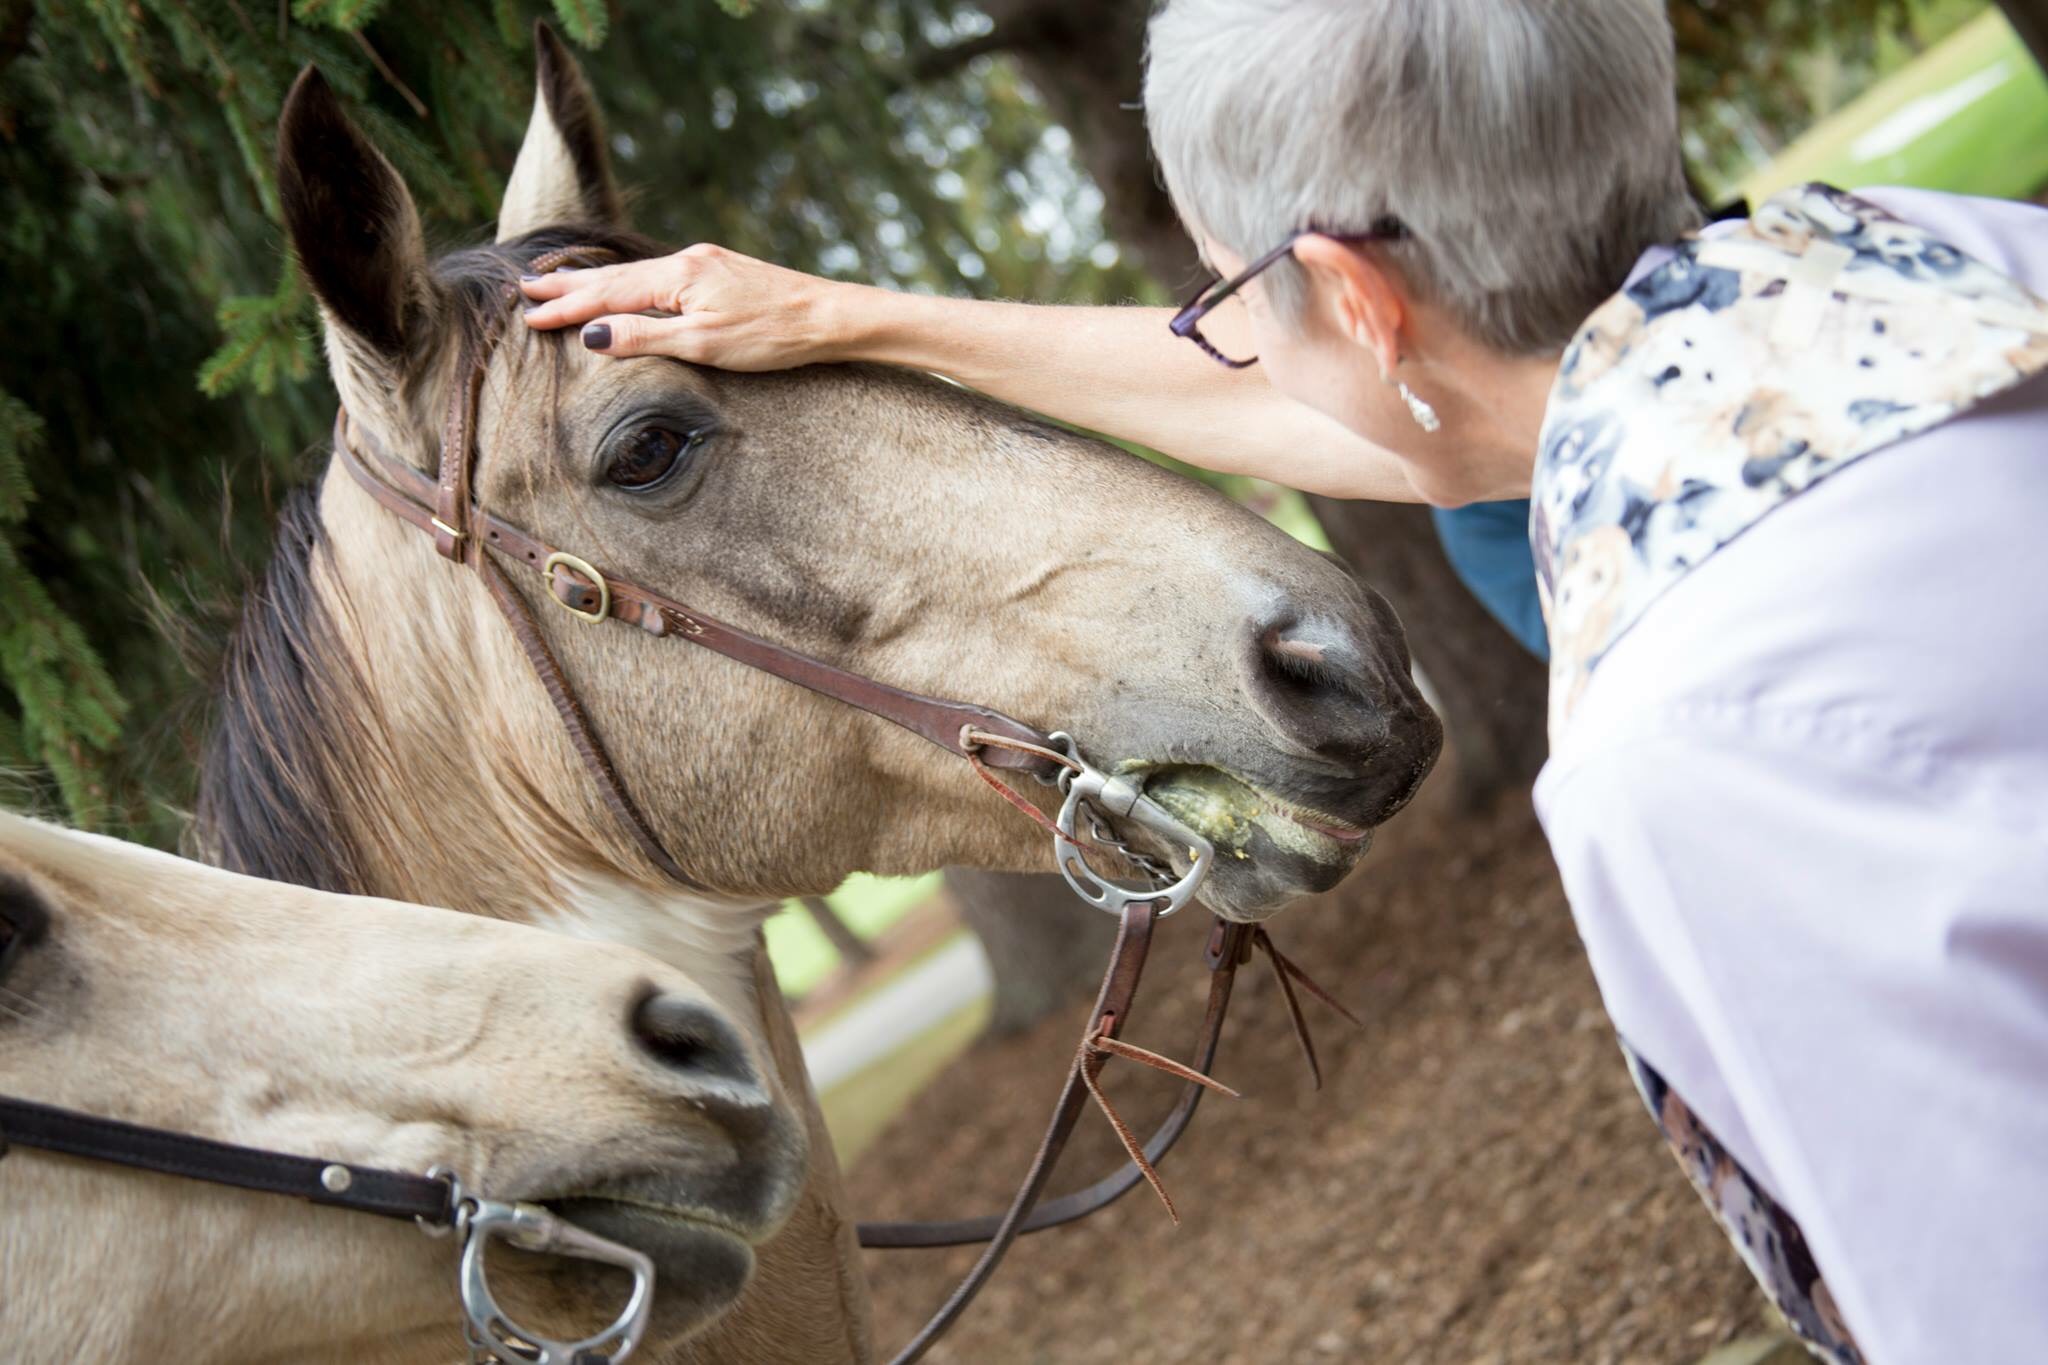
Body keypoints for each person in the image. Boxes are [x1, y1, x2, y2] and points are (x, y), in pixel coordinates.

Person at [520, 3, 2048, 1360]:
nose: (1222, 340)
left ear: (1366, 305)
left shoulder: (1696, 761)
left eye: (1225, 297)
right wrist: (857, 320)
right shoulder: (1951, 269)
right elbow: (1421, 407)